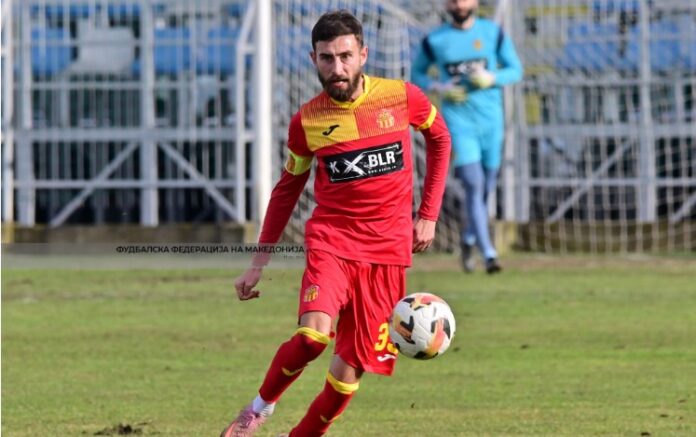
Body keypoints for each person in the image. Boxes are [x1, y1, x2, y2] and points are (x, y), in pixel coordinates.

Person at [220, 10, 451, 437]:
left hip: (387, 254)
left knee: (346, 377)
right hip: (333, 242)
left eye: (345, 56)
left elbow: (440, 137)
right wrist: (258, 262)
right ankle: (257, 410)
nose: (337, 68)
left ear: (363, 54)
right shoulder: (307, 121)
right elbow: (287, 189)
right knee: (312, 337)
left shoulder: (402, 97)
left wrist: (428, 214)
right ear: (314, 59)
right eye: (327, 58)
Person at [412, 0, 523, 274]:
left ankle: (469, 239)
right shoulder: (435, 40)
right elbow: (417, 74)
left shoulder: (492, 33)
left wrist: (492, 78)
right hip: (459, 124)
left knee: (487, 188)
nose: (459, 3)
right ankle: (489, 254)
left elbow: (515, 70)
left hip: (492, 124)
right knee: (474, 185)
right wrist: (439, 87)